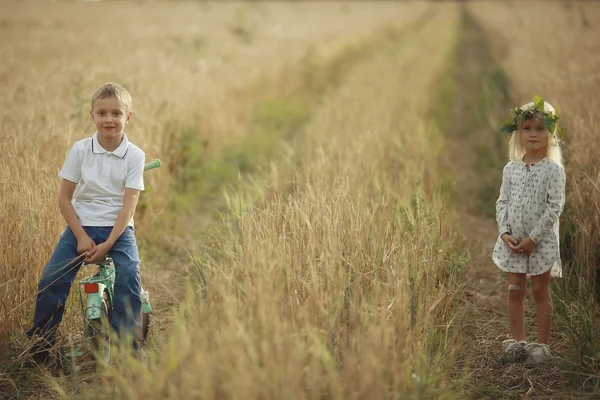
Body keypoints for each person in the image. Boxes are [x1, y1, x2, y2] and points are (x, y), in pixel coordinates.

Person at [26, 82, 145, 365]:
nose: (109, 119)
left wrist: (109, 244)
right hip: (81, 226)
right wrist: (80, 236)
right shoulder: (80, 150)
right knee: (51, 278)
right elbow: (64, 198)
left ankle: (128, 347)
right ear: (92, 115)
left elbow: (128, 207)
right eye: (102, 113)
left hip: (118, 229)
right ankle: (42, 346)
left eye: (116, 113)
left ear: (128, 117)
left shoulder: (135, 155)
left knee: (129, 273)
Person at [492, 96, 566, 364]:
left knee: (539, 291)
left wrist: (534, 239)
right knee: (515, 290)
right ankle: (518, 342)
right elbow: (503, 202)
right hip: (513, 241)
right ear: (518, 133)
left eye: (540, 128)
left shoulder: (553, 170)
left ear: (550, 133)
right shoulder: (510, 169)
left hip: (540, 242)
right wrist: (504, 233)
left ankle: (542, 345)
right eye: (527, 128)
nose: (533, 134)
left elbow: (554, 207)